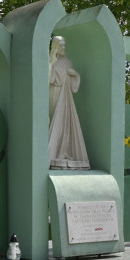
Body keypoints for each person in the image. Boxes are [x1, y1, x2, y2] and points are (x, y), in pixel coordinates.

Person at [47, 35, 90, 169]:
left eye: (64, 45)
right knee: (55, 122)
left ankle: (62, 152)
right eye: (61, 45)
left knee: (65, 124)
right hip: (54, 93)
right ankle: (51, 153)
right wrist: (52, 63)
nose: (63, 47)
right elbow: (48, 80)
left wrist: (75, 75)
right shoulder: (49, 61)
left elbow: (73, 88)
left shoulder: (68, 63)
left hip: (66, 96)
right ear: (55, 46)